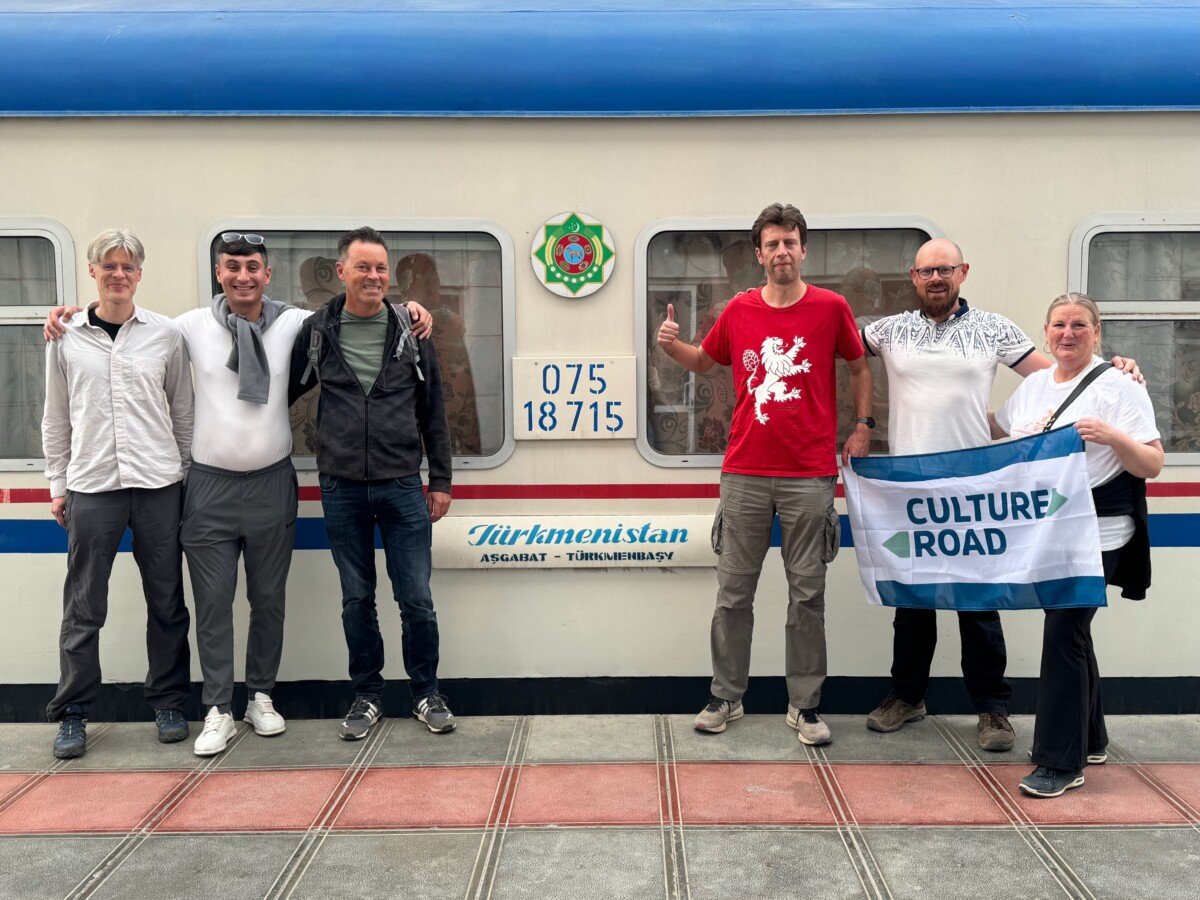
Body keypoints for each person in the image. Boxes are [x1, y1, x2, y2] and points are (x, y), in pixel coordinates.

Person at [44, 235, 434, 756]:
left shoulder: (295, 323)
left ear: (267, 275)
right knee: (210, 604)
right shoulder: (182, 327)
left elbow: (355, 305)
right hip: (206, 485)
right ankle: (217, 708)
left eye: (254, 267)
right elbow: (126, 331)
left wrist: (409, 307)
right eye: (233, 268)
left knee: (269, 601)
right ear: (219, 274)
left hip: (272, 481)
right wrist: (68, 314)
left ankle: (261, 698)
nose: (244, 276)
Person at [861, 239, 1140, 752]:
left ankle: (992, 708)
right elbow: (833, 345)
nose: (936, 278)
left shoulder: (994, 328)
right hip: (911, 485)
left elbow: (1061, 375)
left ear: (963, 272)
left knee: (980, 599)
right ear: (913, 276)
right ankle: (907, 696)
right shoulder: (889, 330)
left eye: (946, 269)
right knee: (912, 598)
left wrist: (1114, 366)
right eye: (926, 271)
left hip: (975, 484)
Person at [656, 203, 873, 745]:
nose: (781, 252)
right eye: (771, 244)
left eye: (789, 243)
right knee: (733, 593)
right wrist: (669, 346)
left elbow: (859, 365)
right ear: (759, 254)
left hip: (810, 473)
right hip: (746, 471)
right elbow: (707, 363)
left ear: (803, 249)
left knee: (807, 596)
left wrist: (863, 424)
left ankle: (804, 706)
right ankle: (726, 697)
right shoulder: (738, 310)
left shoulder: (831, 307)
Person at [993, 293, 1162, 797]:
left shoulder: (1119, 387)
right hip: (1050, 530)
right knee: (1072, 629)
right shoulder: (1035, 387)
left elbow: (1151, 464)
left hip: (1099, 532)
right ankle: (1090, 736)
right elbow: (993, 429)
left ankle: (1058, 762)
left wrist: (1113, 437)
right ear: (1046, 331)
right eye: (1060, 325)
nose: (1069, 334)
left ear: (1097, 331)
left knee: (1064, 629)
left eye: (1080, 325)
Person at [290, 226, 455, 740]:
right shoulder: (317, 330)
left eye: (381, 267)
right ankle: (367, 696)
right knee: (356, 597)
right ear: (341, 272)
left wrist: (441, 480)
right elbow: (282, 391)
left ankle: (426, 694)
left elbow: (434, 412)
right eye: (363, 267)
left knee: (416, 598)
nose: (374, 276)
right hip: (341, 487)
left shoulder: (412, 329)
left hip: (404, 485)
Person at [42, 229, 194, 758]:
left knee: (167, 602)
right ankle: (73, 714)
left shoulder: (166, 335)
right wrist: (58, 485)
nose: (119, 274)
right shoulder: (65, 337)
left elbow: (183, 412)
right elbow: (56, 416)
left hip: (158, 485)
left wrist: (186, 476)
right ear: (93, 272)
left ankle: (170, 702)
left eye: (128, 266)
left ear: (140, 274)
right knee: (84, 606)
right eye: (109, 265)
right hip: (92, 486)